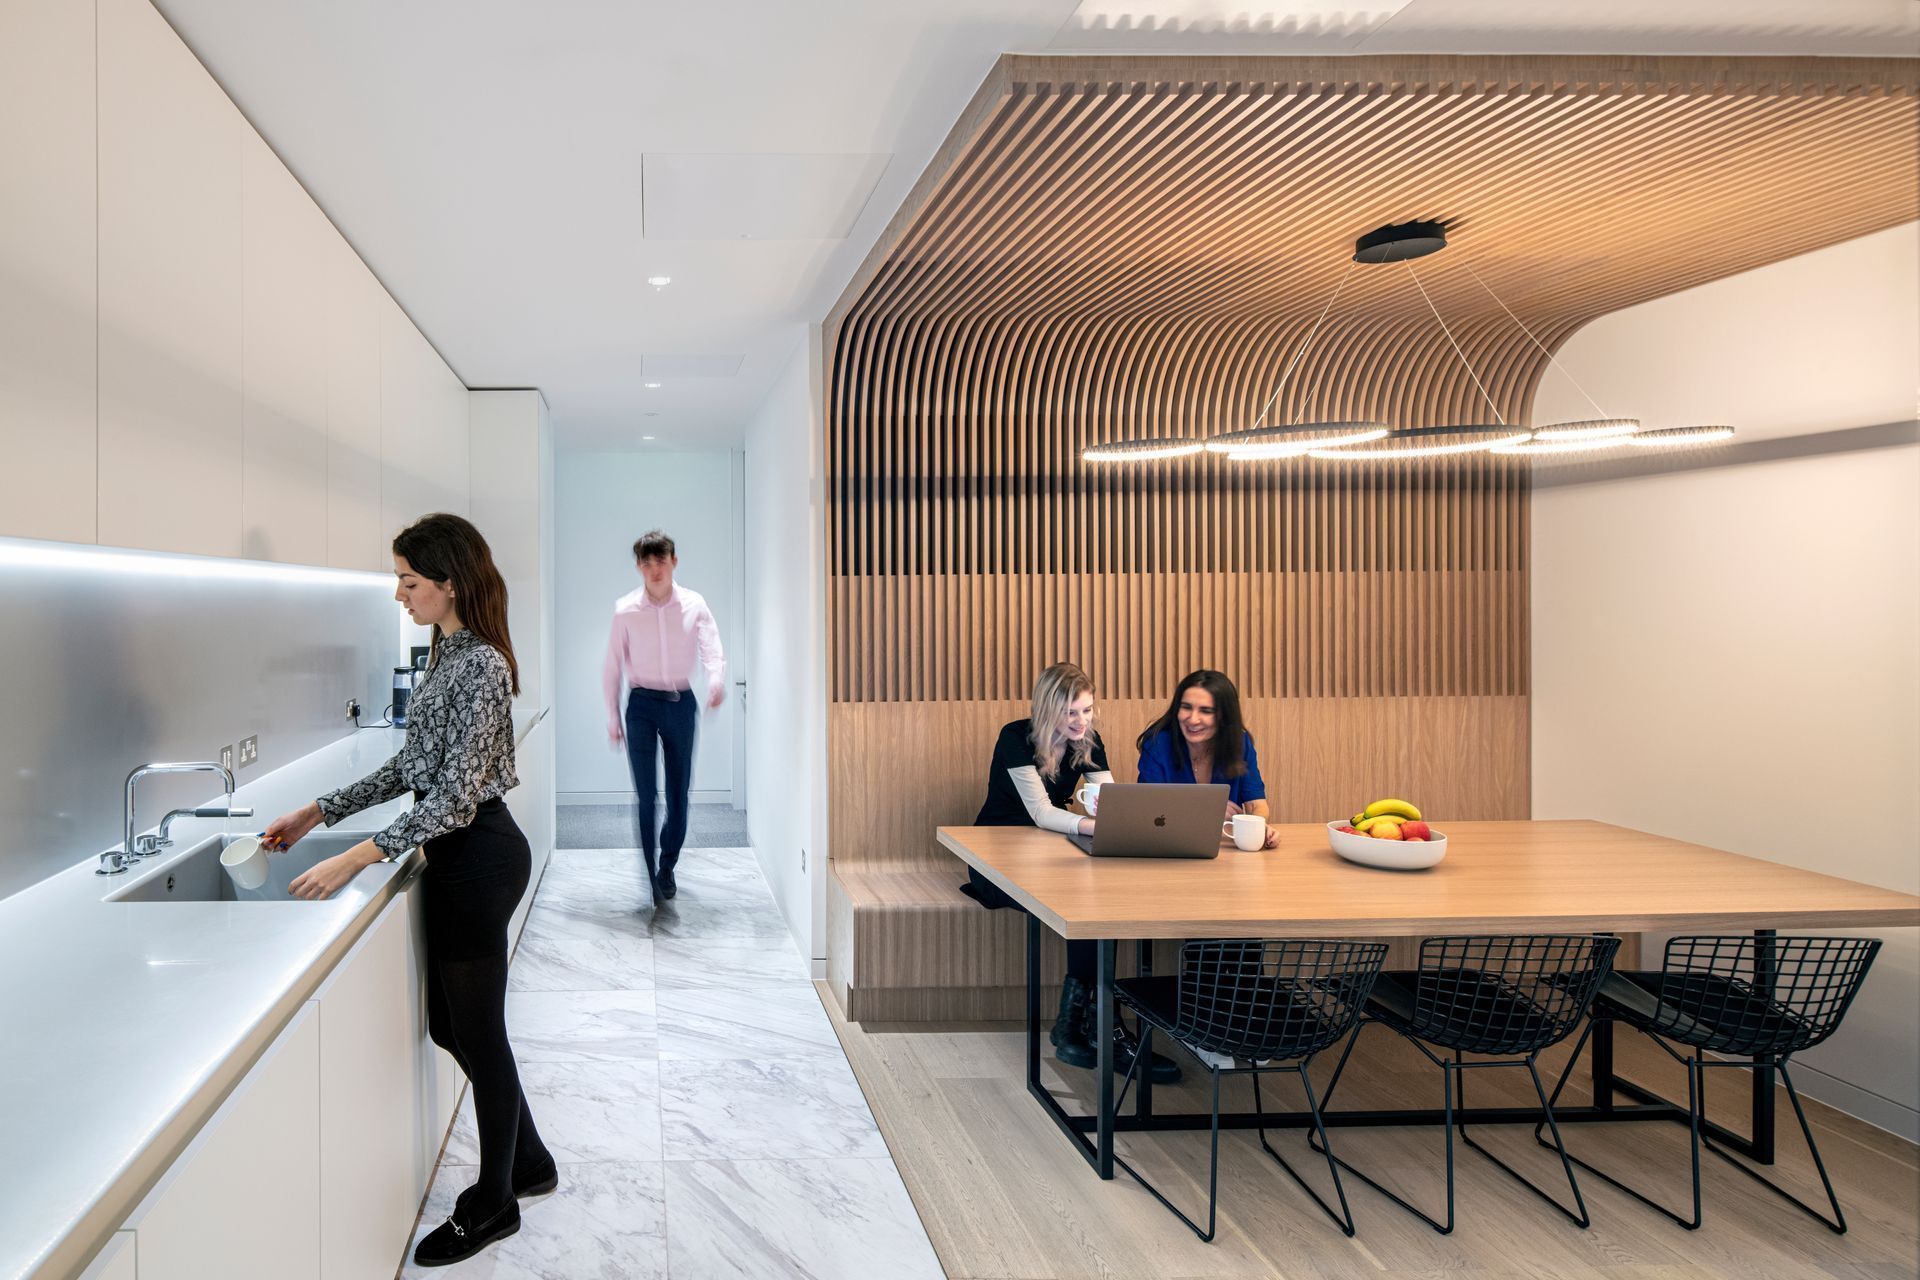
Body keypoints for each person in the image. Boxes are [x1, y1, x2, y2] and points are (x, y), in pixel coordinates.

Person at [263, 513, 552, 1268]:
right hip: (458, 857)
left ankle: (495, 1203)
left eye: (409, 580)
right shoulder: (445, 650)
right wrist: (316, 810)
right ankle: (529, 1161)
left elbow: (454, 799)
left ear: (449, 582)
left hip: (480, 856)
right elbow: (411, 768)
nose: (399, 593)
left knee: (478, 1034)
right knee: (452, 1030)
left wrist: (354, 857)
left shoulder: (482, 664)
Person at [965, 662, 1180, 1083]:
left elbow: (1112, 797)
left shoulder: (1089, 741)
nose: (1081, 721)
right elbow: (1042, 813)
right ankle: (1098, 1030)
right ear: (1049, 711)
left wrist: (1118, 816)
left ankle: (1082, 1028)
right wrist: (1093, 824)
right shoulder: (1016, 738)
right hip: (996, 854)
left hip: (1046, 851)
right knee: (1086, 899)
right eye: (1071, 713)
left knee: (1097, 899)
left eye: (1087, 710)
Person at [602, 529, 725, 901]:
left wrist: (716, 680)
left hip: (680, 704)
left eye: (661, 560)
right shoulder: (625, 610)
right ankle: (650, 875)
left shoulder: (693, 604)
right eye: (647, 562)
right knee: (645, 796)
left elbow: (711, 647)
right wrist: (612, 715)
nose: (655, 569)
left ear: (674, 561)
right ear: (639, 566)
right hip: (640, 706)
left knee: (677, 795)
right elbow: (612, 665)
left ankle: (667, 865)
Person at [1136, 669, 1279, 848]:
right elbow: (1150, 810)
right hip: (1170, 847)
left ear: (1223, 716)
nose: (1193, 719)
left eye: (1206, 711)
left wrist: (1257, 827)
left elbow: (1257, 805)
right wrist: (1206, 808)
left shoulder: (1239, 743)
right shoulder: (1158, 743)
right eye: (1186, 707)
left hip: (1224, 848)